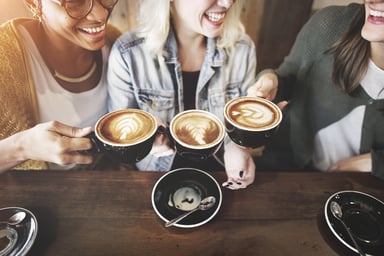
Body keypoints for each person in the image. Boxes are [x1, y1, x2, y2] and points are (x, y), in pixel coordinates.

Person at [107, 0, 257, 190]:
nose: (227, 3)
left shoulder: (243, 49)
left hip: (221, 173)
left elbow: (242, 124)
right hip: (154, 178)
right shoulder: (128, 54)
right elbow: (120, 138)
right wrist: (145, 142)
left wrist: (237, 147)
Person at [249, 0, 384, 180]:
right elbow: (289, 76)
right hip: (289, 169)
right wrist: (271, 80)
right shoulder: (330, 23)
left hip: (364, 190)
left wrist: (375, 162)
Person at [0, 0, 121, 172]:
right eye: (76, 2)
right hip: (36, 197)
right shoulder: (4, 57)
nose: (101, 15)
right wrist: (22, 147)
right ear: (33, 4)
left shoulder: (117, 43)